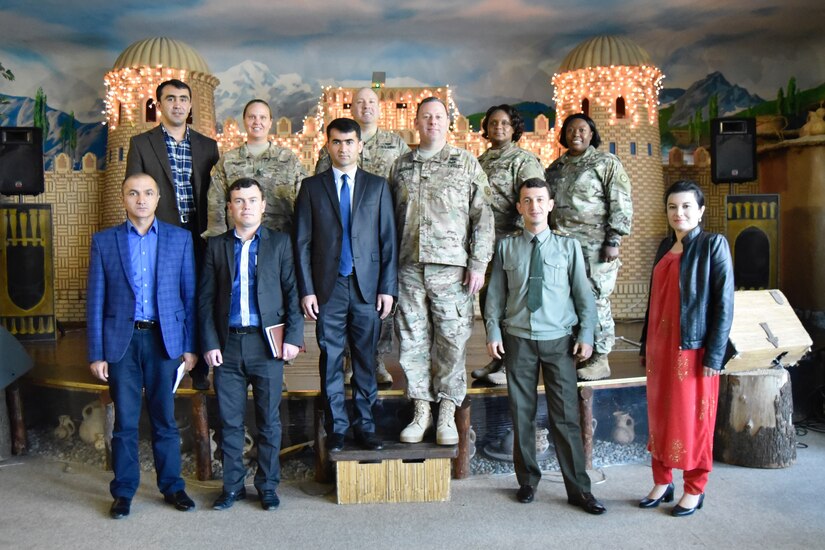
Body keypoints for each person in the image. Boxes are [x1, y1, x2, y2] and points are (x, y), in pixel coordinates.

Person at [484, 178, 606, 515]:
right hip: (518, 340)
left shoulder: (568, 248)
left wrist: (586, 334)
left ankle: (579, 489)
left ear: (550, 205)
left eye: (540, 200)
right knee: (521, 413)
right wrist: (493, 331)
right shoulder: (506, 247)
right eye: (528, 201)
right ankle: (527, 481)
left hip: (558, 342)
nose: (534, 206)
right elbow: (494, 295)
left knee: (565, 417)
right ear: (520, 207)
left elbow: (584, 295)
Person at [87, 173, 197, 519]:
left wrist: (190, 346)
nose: (141, 199)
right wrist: (96, 353)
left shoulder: (179, 240)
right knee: (125, 422)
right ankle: (123, 492)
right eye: (133, 193)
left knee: (165, 418)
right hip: (122, 342)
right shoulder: (105, 242)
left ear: (158, 197)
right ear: (124, 199)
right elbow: (95, 301)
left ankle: (173, 486)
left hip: (165, 341)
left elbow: (189, 296)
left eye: (148, 193)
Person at [389, 97, 495, 445]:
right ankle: (421, 409)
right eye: (426, 117)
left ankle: (447, 409)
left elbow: (483, 217)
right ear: (416, 123)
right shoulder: (400, 166)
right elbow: (388, 220)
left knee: (451, 340)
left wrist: (478, 263)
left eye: (438, 116)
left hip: (453, 270)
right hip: (408, 268)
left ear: (448, 122)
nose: (432, 122)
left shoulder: (465, 163)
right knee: (412, 342)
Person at [199, 178, 304, 511]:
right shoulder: (216, 246)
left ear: (263, 205)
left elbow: (292, 292)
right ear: (229, 208)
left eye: (252, 200)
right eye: (238, 201)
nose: (246, 207)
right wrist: (209, 342)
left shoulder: (280, 244)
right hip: (227, 345)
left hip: (266, 345)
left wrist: (294, 338)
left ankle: (268, 485)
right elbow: (204, 299)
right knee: (229, 421)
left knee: (269, 420)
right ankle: (232, 486)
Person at [294, 118, 398, 452]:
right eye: (337, 142)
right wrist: (307, 289)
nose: (343, 148)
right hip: (329, 287)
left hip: (368, 286)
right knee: (332, 357)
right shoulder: (312, 187)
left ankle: (366, 427)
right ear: (328, 145)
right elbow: (302, 243)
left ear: (360, 145)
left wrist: (387, 287)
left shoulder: (377, 186)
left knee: (366, 358)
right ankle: (336, 427)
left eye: (350, 142)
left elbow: (388, 243)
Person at [638, 180, 734, 517]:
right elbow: (655, 301)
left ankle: (695, 487)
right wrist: (643, 344)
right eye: (672, 207)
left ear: (701, 210)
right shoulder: (665, 245)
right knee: (660, 414)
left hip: (693, 350)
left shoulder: (713, 245)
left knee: (695, 419)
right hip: (659, 348)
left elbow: (724, 305)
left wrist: (715, 354)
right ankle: (662, 481)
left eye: (686, 207)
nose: (679, 213)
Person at [126, 78, 220, 390]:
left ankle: (200, 370)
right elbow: (133, 190)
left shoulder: (208, 146)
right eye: (170, 98)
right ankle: (165, 363)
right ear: (159, 104)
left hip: (200, 234)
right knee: (165, 296)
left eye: (183, 98)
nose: (177, 104)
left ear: (191, 104)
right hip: (160, 235)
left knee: (200, 297)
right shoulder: (142, 144)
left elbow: (215, 194)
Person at [316, 87, 410, 385]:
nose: (366, 106)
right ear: (352, 107)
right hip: (342, 240)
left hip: (378, 233)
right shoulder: (332, 144)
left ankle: (375, 359)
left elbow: (403, 188)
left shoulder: (396, 144)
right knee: (342, 308)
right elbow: (322, 192)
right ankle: (347, 361)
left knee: (378, 307)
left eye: (371, 101)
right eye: (359, 102)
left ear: (379, 107)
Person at [544, 113, 633, 381]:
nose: (576, 134)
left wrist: (614, 239)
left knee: (594, 298)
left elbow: (620, 201)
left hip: (595, 246)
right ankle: (578, 353)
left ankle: (601, 356)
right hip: (561, 245)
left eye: (582, 129)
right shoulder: (555, 168)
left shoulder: (605, 163)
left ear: (592, 133)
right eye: (570, 130)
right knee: (565, 298)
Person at [472, 104, 546, 385]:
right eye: (492, 123)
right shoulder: (480, 161)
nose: (498, 127)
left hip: (512, 242)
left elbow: (534, 201)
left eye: (504, 123)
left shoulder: (523, 160)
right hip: (484, 245)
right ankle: (498, 359)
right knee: (490, 302)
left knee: (512, 304)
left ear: (515, 127)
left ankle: (513, 364)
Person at [204, 99, 306, 238]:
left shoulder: (288, 159)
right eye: (252, 117)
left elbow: (304, 202)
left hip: (280, 244)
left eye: (262, 117)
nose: (257, 122)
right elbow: (216, 204)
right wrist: (218, 242)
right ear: (244, 121)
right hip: (238, 243)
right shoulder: (228, 160)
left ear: (270, 122)